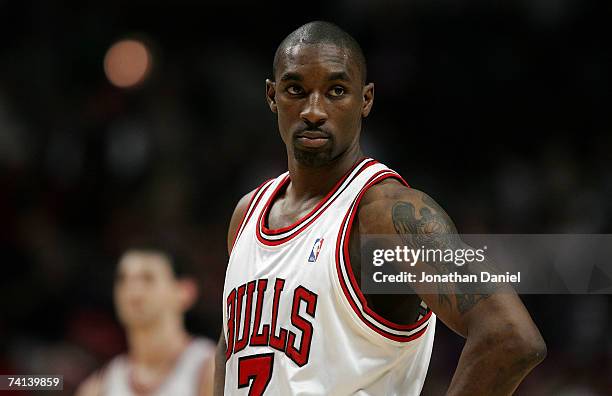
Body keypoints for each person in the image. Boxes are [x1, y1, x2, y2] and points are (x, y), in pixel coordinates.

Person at [215, 21, 546, 395]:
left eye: (336, 91)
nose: (313, 110)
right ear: (272, 96)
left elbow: (510, 336)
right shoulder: (247, 214)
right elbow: (231, 351)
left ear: (365, 100)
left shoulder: (385, 216)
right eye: (296, 90)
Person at [76, 246, 215, 396]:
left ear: (185, 292)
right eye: (123, 279)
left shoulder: (210, 368)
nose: (133, 290)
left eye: (148, 278)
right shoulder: (98, 387)